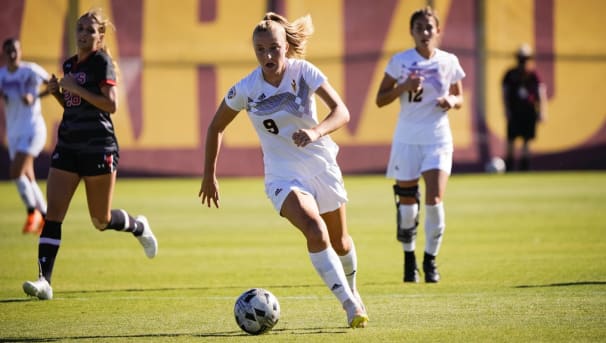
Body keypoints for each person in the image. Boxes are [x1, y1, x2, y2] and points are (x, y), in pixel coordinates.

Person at [198, 12, 368, 328]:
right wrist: (209, 174)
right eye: (260, 50)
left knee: (340, 241)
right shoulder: (247, 88)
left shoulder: (304, 73)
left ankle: (353, 290)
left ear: (286, 47)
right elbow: (215, 127)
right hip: (283, 177)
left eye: (274, 48)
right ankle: (348, 304)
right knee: (314, 230)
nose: (268, 56)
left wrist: (316, 132)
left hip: (322, 166)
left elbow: (341, 111)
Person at [22, 8, 158, 300]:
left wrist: (75, 88)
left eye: (89, 30)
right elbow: (74, 105)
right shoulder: (70, 65)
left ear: (100, 36)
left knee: (100, 219)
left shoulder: (102, 62)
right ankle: (44, 281)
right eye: (79, 29)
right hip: (68, 145)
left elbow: (110, 105)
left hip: (99, 147)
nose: (83, 34)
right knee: (53, 215)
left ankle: (138, 226)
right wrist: (59, 91)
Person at [375, 6, 465, 283]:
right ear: (411, 32)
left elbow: (459, 97)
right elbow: (380, 99)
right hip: (407, 139)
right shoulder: (400, 61)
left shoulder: (449, 61)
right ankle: (409, 259)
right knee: (407, 205)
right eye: (419, 28)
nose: (425, 33)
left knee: (435, 200)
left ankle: (431, 261)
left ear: (438, 31)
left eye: (429, 28)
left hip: (437, 138)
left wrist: (451, 101)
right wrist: (404, 86)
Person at [0, 38, 50, 235]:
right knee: (28, 178)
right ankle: (46, 217)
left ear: (20, 51)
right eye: (8, 51)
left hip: (33, 129)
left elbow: (54, 85)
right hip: (14, 133)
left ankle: (32, 212)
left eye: (15, 50)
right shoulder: (2, 75)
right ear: (3, 54)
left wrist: (35, 97)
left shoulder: (31, 71)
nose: (12, 55)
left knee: (16, 172)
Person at [502, 44, 547, 171]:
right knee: (511, 140)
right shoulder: (510, 74)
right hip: (515, 111)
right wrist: (506, 109)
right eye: (521, 59)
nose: (523, 62)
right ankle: (509, 168)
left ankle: (524, 168)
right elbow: (505, 93)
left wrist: (542, 111)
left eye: (526, 58)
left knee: (527, 140)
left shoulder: (533, 75)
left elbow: (541, 94)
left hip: (529, 111)